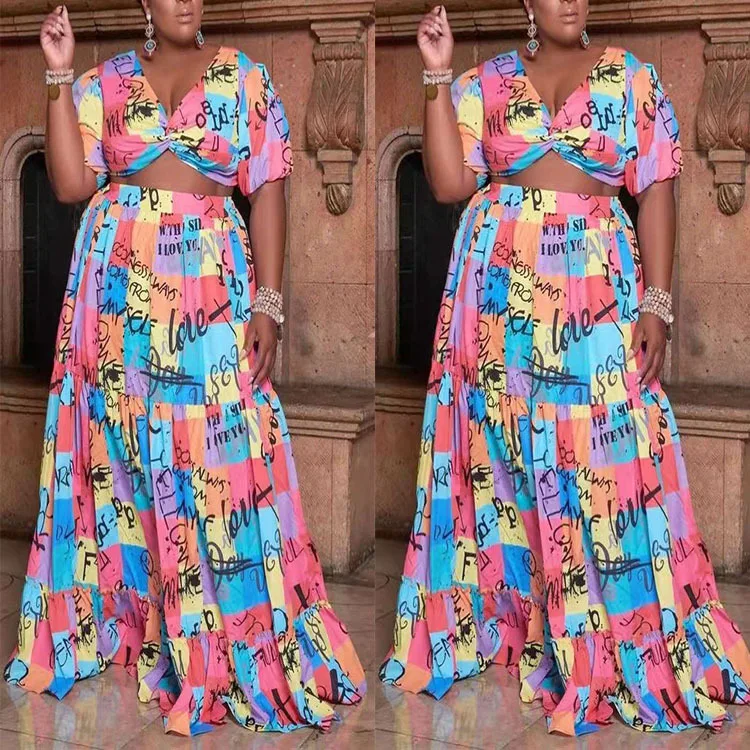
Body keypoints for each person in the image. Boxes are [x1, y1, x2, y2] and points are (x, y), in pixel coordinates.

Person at [379, 0, 750, 737]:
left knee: (606, 460)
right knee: (499, 460)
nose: (571, 1)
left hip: (592, 291)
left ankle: (616, 634)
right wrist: (436, 73)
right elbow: (449, 185)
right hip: (495, 300)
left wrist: (657, 304)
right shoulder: (484, 82)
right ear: (527, 3)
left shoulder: (630, 79)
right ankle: (513, 623)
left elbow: (658, 188)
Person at [2, 0, 366, 737]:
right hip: (114, 297)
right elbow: (71, 185)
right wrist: (59, 73)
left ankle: (228, 637)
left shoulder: (244, 79)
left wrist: (268, 303)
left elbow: (268, 188)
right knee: (115, 457)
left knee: (220, 459)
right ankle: (126, 626)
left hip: (207, 288)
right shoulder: (103, 82)